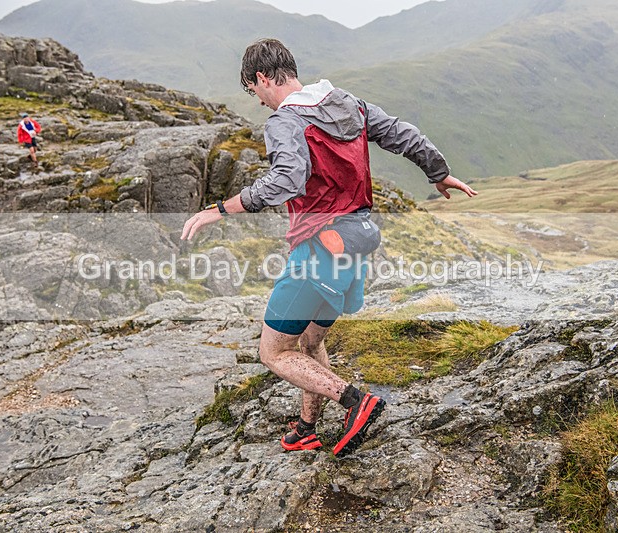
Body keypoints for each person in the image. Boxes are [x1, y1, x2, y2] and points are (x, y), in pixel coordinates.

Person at [181, 38, 477, 457]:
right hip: (357, 242)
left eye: (254, 92)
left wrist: (221, 209)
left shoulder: (285, 121)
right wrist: (438, 172)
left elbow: (287, 179)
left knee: (274, 351)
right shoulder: (347, 103)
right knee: (310, 341)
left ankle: (357, 402)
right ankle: (306, 428)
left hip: (319, 249)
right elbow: (402, 134)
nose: (260, 102)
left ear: (262, 78)